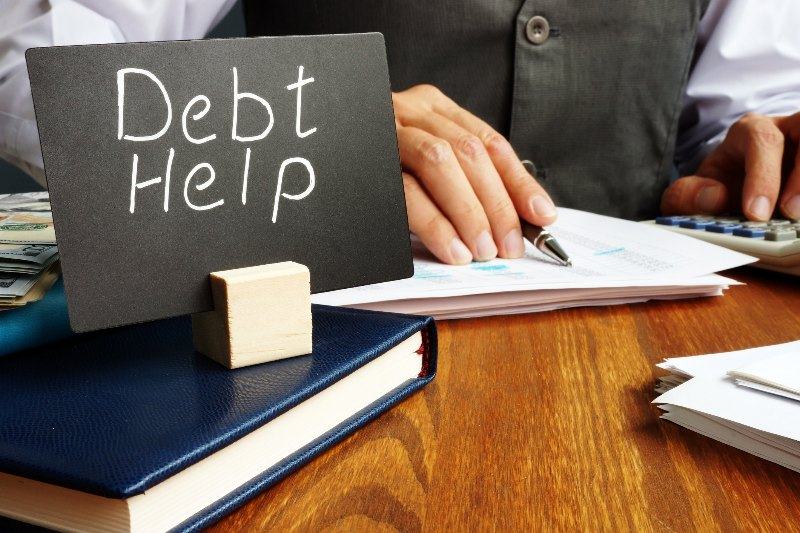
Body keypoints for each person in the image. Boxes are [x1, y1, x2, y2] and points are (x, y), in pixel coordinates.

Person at [1, 1, 799, 265]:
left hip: (658, 376)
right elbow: (36, 51)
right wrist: (295, 124)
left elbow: (739, 112)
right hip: (318, 364)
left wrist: (758, 162)